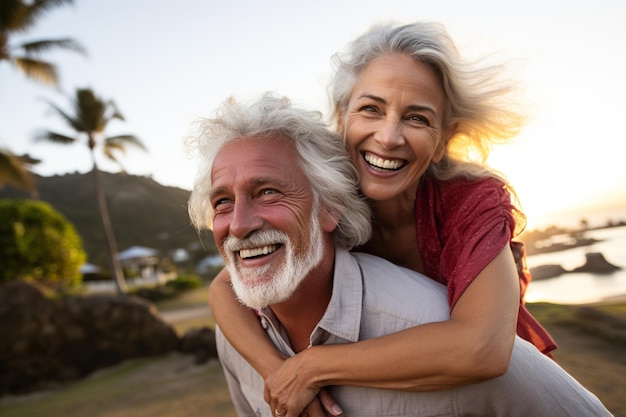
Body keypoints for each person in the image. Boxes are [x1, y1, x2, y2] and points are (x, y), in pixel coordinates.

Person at [208, 21, 558, 416]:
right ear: (342, 116)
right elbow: (223, 290)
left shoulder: (469, 202)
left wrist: (310, 368)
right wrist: (277, 373)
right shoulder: (326, 194)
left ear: (444, 137)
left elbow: (484, 349)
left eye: (417, 118)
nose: (388, 137)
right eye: (370, 109)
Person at [187, 93, 612, 417]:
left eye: (268, 192)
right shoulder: (237, 336)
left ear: (330, 208)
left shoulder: (435, 331)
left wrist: (313, 368)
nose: (238, 224)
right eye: (222, 201)